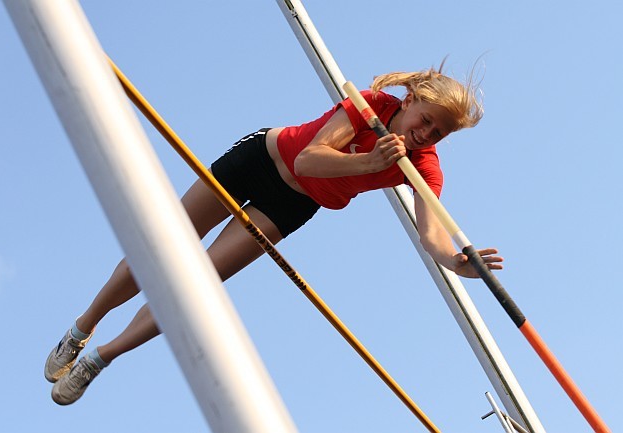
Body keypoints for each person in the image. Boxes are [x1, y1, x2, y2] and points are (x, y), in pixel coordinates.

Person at [45, 66, 503, 405]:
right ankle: (82, 327)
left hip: (290, 206)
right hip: (261, 161)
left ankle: (100, 358)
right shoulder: (368, 106)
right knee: (158, 248)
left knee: (192, 286)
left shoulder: (423, 168)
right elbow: (309, 159)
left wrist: (457, 263)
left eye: (437, 134)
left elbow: (432, 235)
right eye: (424, 120)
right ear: (409, 100)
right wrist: (369, 163)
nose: (424, 135)